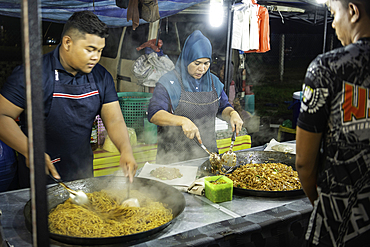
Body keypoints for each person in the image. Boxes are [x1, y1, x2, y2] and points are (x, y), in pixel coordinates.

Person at [0, 11, 137, 188]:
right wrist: (30, 151)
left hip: (83, 175)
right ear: (67, 42)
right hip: (40, 177)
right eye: (90, 49)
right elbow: (3, 116)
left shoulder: (101, 77)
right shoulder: (33, 73)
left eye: (100, 51)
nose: (96, 57)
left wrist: (125, 150)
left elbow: (114, 119)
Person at [295, 0, 370, 246]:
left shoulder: (327, 68)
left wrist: (322, 205)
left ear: (353, 11)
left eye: (333, 14)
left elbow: (305, 163)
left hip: (340, 227)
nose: (334, 25)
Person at [148, 30, 243, 164]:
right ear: (187, 59)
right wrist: (182, 121)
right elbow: (154, 114)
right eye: (197, 63)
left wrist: (232, 114)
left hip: (208, 156)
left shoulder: (214, 82)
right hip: (173, 159)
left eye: (206, 63)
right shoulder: (169, 82)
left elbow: (223, 107)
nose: (202, 69)